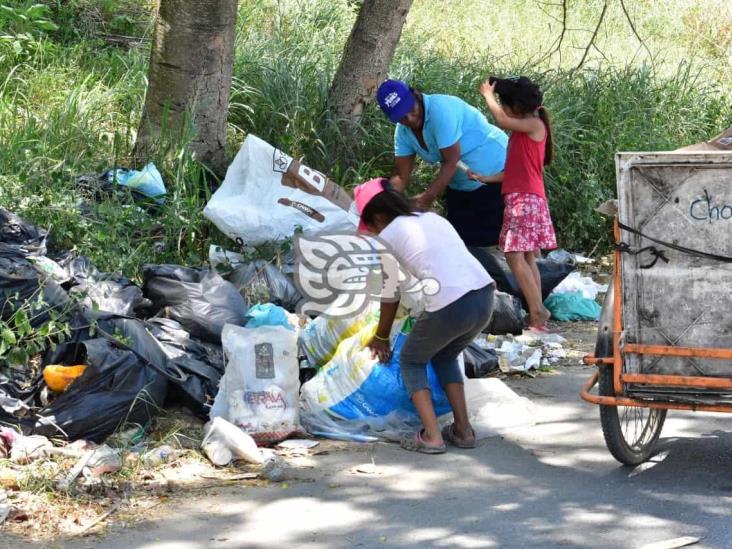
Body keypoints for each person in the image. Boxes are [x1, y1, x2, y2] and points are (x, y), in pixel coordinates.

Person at [354, 177, 496, 454]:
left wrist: (381, 337)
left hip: (452, 303)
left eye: (370, 224)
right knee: (443, 355)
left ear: (379, 216)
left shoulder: (388, 236)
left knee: (411, 359)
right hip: (485, 296)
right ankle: (463, 430)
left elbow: (390, 293)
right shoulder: (433, 218)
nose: (372, 231)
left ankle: (432, 436)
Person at [375, 79, 509, 283]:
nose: (410, 119)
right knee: (464, 244)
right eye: (401, 117)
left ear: (416, 94)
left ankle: (518, 293)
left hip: (493, 170)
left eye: (411, 110)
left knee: (502, 242)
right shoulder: (403, 133)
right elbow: (401, 177)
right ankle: (489, 293)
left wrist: (426, 198)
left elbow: (450, 160)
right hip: (461, 180)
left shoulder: (441, 111)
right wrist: (383, 202)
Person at [474, 75, 557, 331]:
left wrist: (488, 96)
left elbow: (501, 119)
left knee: (513, 255)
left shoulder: (533, 124)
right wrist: (485, 178)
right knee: (527, 257)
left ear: (516, 108)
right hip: (523, 197)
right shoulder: (523, 132)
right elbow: (514, 171)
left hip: (525, 200)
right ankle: (538, 310)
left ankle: (537, 311)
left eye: (504, 104)